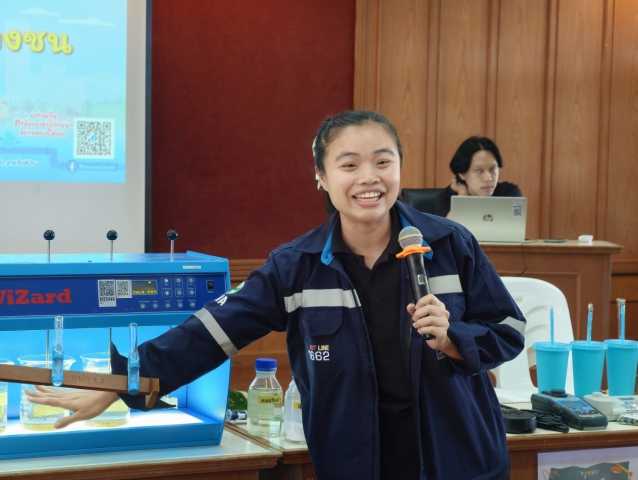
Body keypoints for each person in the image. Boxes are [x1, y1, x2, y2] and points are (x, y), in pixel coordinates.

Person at [26, 111, 525, 480]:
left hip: (458, 462)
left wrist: (454, 339)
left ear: (399, 169)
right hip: (356, 465)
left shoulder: (449, 244)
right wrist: (122, 381)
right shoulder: (296, 267)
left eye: (383, 161)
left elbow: (509, 329)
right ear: (321, 177)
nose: (369, 178)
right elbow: (210, 332)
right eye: (349, 164)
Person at [435, 136, 522, 217]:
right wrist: (463, 194)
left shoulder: (509, 193)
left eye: (492, 169)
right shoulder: (446, 198)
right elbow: (447, 228)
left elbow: (516, 226)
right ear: (462, 174)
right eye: (478, 170)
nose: (488, 178)